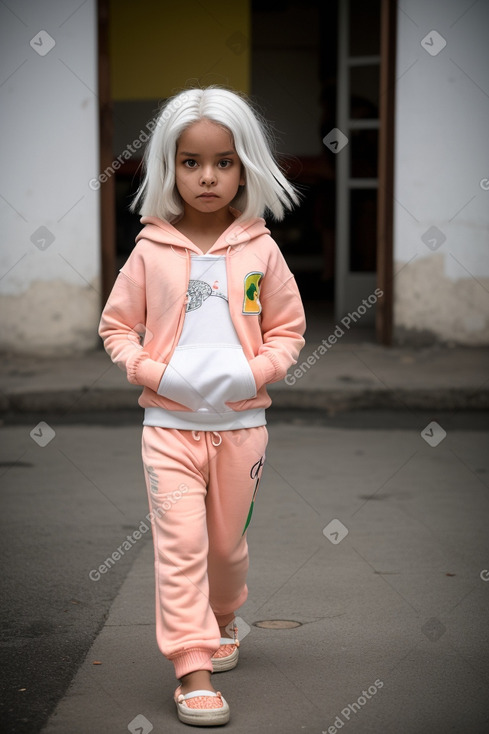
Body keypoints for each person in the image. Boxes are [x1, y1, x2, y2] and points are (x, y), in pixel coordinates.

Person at [98, 86, 306, 727]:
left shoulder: (260, 250)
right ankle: (192, 667)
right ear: (169, 166)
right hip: (168, 429)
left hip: (242, 428)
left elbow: (289, 331)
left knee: (224, 549)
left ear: (245, 166)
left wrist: (251, 372)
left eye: (223, 162)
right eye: (191, 162)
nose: (207, 176)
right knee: (181, 547)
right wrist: (153, 372)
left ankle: (224, 615)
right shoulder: (150, 249)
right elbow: (115, 328)